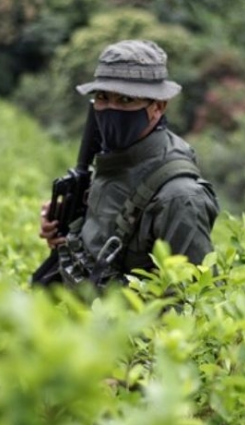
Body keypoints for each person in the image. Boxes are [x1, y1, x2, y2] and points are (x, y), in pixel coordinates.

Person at [38, 39, 219, 287]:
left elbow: (197, 299)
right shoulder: (112, 157)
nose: (111, 109)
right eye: (103, 97)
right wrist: (65, 229)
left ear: (158, 106)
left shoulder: (179, 196)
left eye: (125, 100)